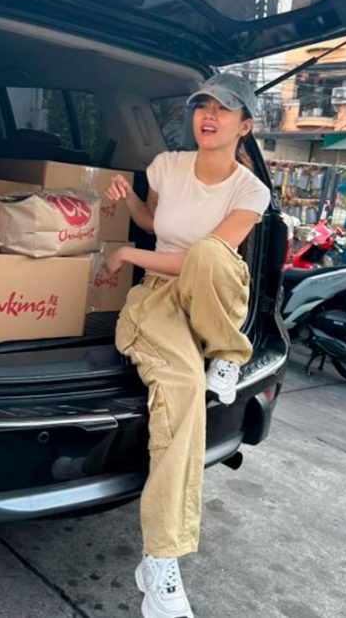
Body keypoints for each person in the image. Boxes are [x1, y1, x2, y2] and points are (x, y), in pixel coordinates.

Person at [103, 73, 271, 618]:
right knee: (181, 393)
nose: (209, 115)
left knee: (206, 254)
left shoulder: (251, 190)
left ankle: (228, 350)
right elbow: (155, 223)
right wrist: (127, 199)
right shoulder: (166, 166)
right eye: (203, 105)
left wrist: (129, 256)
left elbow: (196, 258)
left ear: (244, 126)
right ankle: (160, 560)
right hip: (159, 301)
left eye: (224, 109)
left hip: (211, 293)